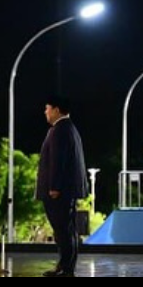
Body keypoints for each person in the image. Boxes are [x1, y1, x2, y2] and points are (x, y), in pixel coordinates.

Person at [35, 94, 88, 277]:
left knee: (63, 230)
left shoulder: (61, 130)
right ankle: (65, 266)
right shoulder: (68, 128)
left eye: (47, 108)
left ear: (56, 110)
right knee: (65, 229)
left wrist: (55, 186)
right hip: (65, 190)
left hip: (59, 191)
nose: (45, 112)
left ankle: (66, 268)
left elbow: (58, 160)